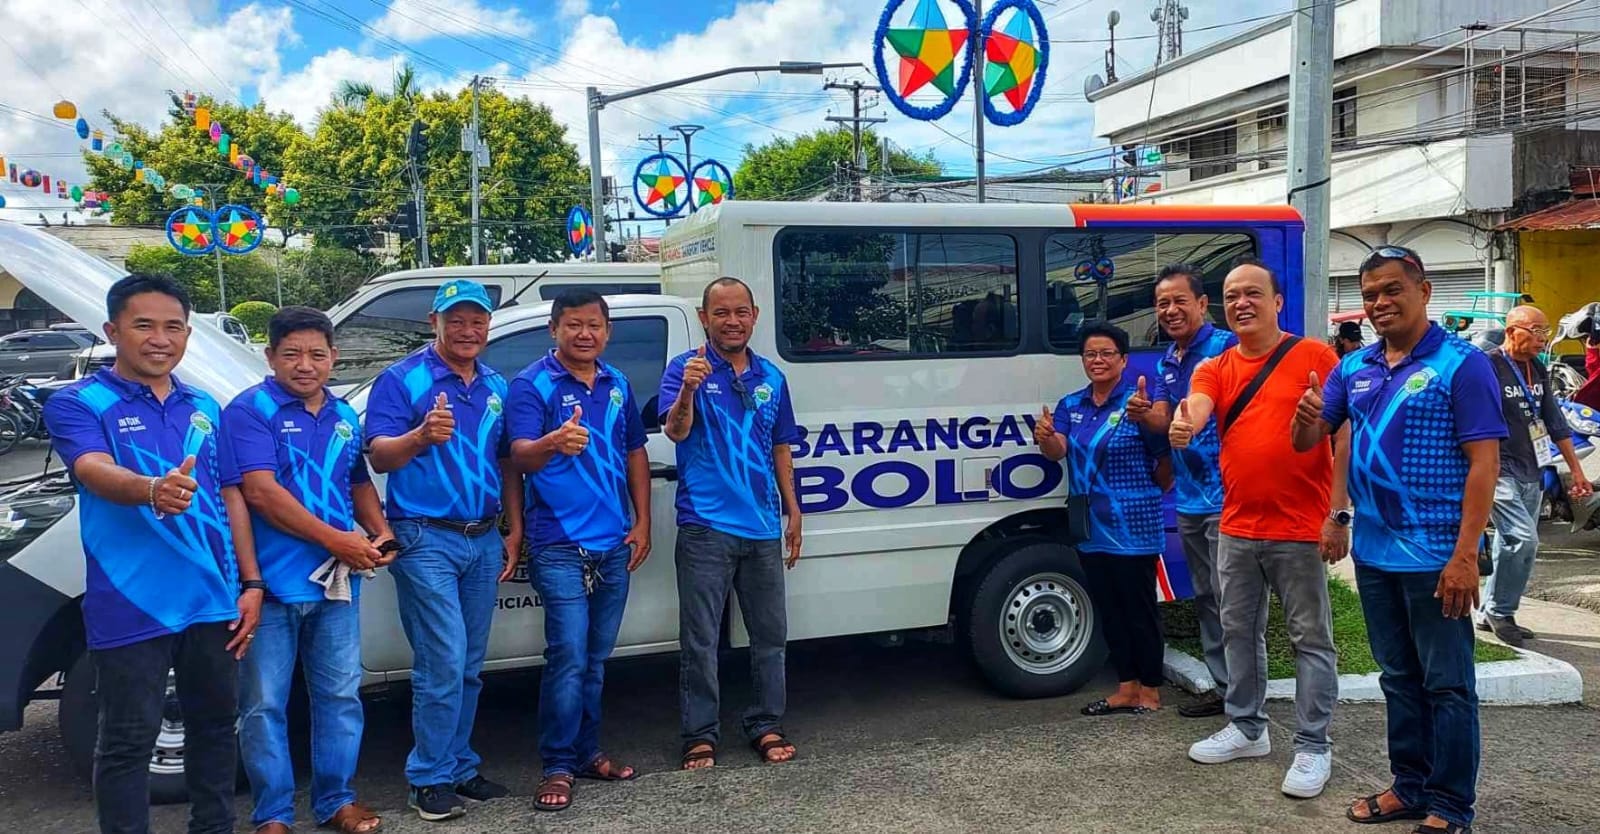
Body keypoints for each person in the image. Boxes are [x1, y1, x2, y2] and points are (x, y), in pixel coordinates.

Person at [1292, 246, 1506, 834]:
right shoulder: (1354, 367)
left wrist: (1466, 555)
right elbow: (1313, 438)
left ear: (1424, 290)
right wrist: (1306, 413)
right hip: (1376, 555)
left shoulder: (1463, 366)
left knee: (1449, 686)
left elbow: (1484, 463)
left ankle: (1451, 807)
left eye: (1391, 290)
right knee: (1398, 678)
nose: (1380, 303)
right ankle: (1410, 787)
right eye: (1369, 295)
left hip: (1437, 556)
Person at [42, 273, 263, 834]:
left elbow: (229, 492)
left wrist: (251, 584)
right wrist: (149, 490)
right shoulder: (79, 401)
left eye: (173, 327)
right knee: (126, 741)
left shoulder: (205, 404)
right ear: (113, 330)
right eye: (144, 325)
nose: (159, 338)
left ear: (188, 334)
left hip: (212, 600)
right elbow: (91, 469)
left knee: (216, 730)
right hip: (131, 602)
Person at [1168, 258, 1344, 800]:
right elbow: (1199, 404)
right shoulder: (1215, 367)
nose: (1241, 303)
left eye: (1252, 293)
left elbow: (1343, 437)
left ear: (1276, 302)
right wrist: (1186, 421)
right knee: (1237, 630)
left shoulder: (1315, 356)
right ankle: (1247, 727)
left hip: (1300, 526)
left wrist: (1339, 516)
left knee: (1310, 639)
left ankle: (1314, 746)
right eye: (1231, 295)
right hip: (1236, 525)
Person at [225, 307, 392, 834]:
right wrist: (341, 541)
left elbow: (357, 481)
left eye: (317, 354)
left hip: (336, 587)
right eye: (292, 354)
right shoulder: (249, 411)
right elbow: (260, 493)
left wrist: (379, 531)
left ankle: (336, 801)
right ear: (270, 356)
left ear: (333, 358)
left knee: (340, 697)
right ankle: (271, 814)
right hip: (270, 587)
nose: (305, 365)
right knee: (263, 706)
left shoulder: (344, 414)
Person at [364, 279, 522, 822]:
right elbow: (379, 458)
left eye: (477, 320)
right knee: (443, 660)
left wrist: (511, 527)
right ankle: (426, 777)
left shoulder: (496, 384)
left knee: (470, 665)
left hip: (481, 536)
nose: (468, 329)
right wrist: (420, 437)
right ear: (434, 322)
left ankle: (457, 765)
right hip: (424, 536)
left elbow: (505, 462)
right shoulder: (401, 380)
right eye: (456, 319)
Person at [506, 290, 651, 812]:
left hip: (613, 543)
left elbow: (635, 451)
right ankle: (558, 764)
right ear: (554, 329)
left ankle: (588, 753)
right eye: (573, 325)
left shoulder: (617, 384)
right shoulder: (532, 384)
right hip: (559, 545)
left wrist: (643, 523)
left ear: (607, 331)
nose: (584, 334)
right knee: (567, 656)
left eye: (594, 325)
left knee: (594, 658)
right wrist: (552, 443)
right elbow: (517, 457)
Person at [660, 276, 803, 771]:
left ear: (754, 316)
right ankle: (699, 733)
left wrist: (793, 508)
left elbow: (780, 445)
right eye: (721, 313)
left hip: (762, 527)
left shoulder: (771, 378)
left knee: (770, 637)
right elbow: (675, 431)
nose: (732, 321)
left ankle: (766, 724)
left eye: (741, 311)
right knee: (700, 639)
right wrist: (687, 393)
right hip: (705, 527)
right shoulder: (686, 370)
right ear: (704, 318)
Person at [1035, 322, 1172, 716]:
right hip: (1090, 524)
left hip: (1134, 525)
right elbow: (1057, 451)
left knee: (1139, 610)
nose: (1098, 360)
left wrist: (1142, 496)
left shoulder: (1137, 404)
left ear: (1124, 359)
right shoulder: (1071, 405)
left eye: (1107, 353)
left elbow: (1166, 464)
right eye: (1091, 354)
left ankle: (1150, 692)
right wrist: (1045, 435)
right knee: (1109, 609)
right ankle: (1126, 688)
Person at [1479, 306, 1593, 646]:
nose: (1543, 338)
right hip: (1498, 469)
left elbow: (1554, 421)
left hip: (1533, 468)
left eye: (1546, 331)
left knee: (1508, 543)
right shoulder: (1488, 366)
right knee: (1523, 539)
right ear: (1512, 330)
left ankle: (1488, 611)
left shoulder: (1537, 368)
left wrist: (1576, 471)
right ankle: (1502, 611)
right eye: (1536, 330)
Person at [1152, 264, 1237, 719]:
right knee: (1207, 595)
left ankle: (1246, 697)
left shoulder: (1226, 349)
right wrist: (1144, 413)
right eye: (1162, 303)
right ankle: (1225, 689)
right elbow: (1167, 424)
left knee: (1234, 600)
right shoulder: (1169, 359)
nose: (1170, 310)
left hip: (1228, 496)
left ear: (1203, 304)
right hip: (1189, 496)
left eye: (1179, 300)